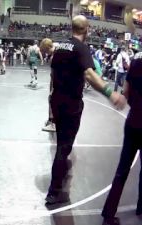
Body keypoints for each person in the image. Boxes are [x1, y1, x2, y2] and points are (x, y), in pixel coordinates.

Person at [45, 15, 126, 205]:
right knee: (64, 147)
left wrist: (50, 103)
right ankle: (54, 191)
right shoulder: (81, 48)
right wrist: (110, 93)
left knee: (62, 141)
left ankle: (60, 170)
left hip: (57, 100)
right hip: (71, 104)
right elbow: (90, 74)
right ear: (87, 29)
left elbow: (52, 74)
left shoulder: (60, 48)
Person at [101, 51, 142, 225]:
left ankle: (108, 214)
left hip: (133, 121)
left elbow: (126, 91)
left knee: (122, 170)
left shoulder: (136, 64)